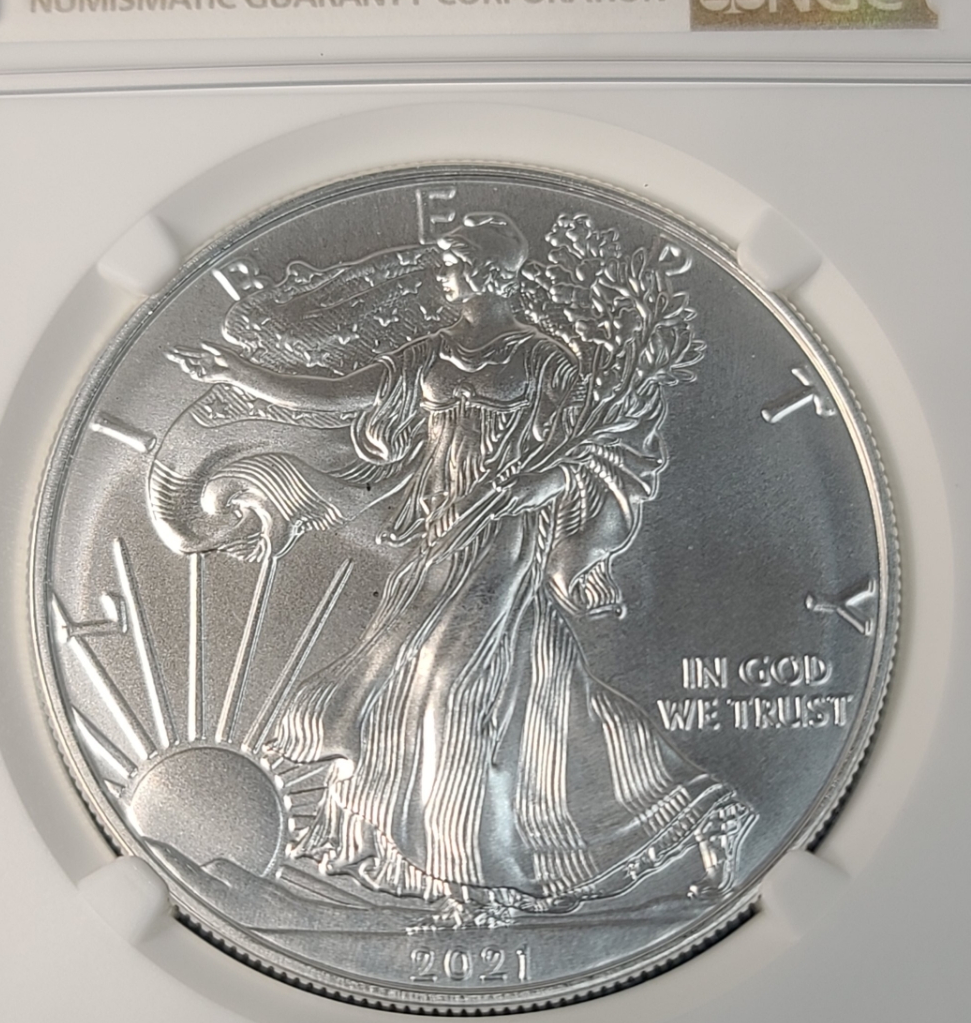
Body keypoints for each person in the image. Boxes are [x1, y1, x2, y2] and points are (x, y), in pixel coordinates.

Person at [165, 211, 752, 924]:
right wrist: (242, 373)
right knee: (511, 698)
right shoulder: (431, 355)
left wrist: (544, 481)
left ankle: (473, 882)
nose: (442, 278)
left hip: (506, 539)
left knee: (449, 691)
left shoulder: (543, 361)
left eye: (452, 266)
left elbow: (608, 446)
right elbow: (337, 394)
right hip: (441, 537)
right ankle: (700, 810)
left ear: (489, 276)